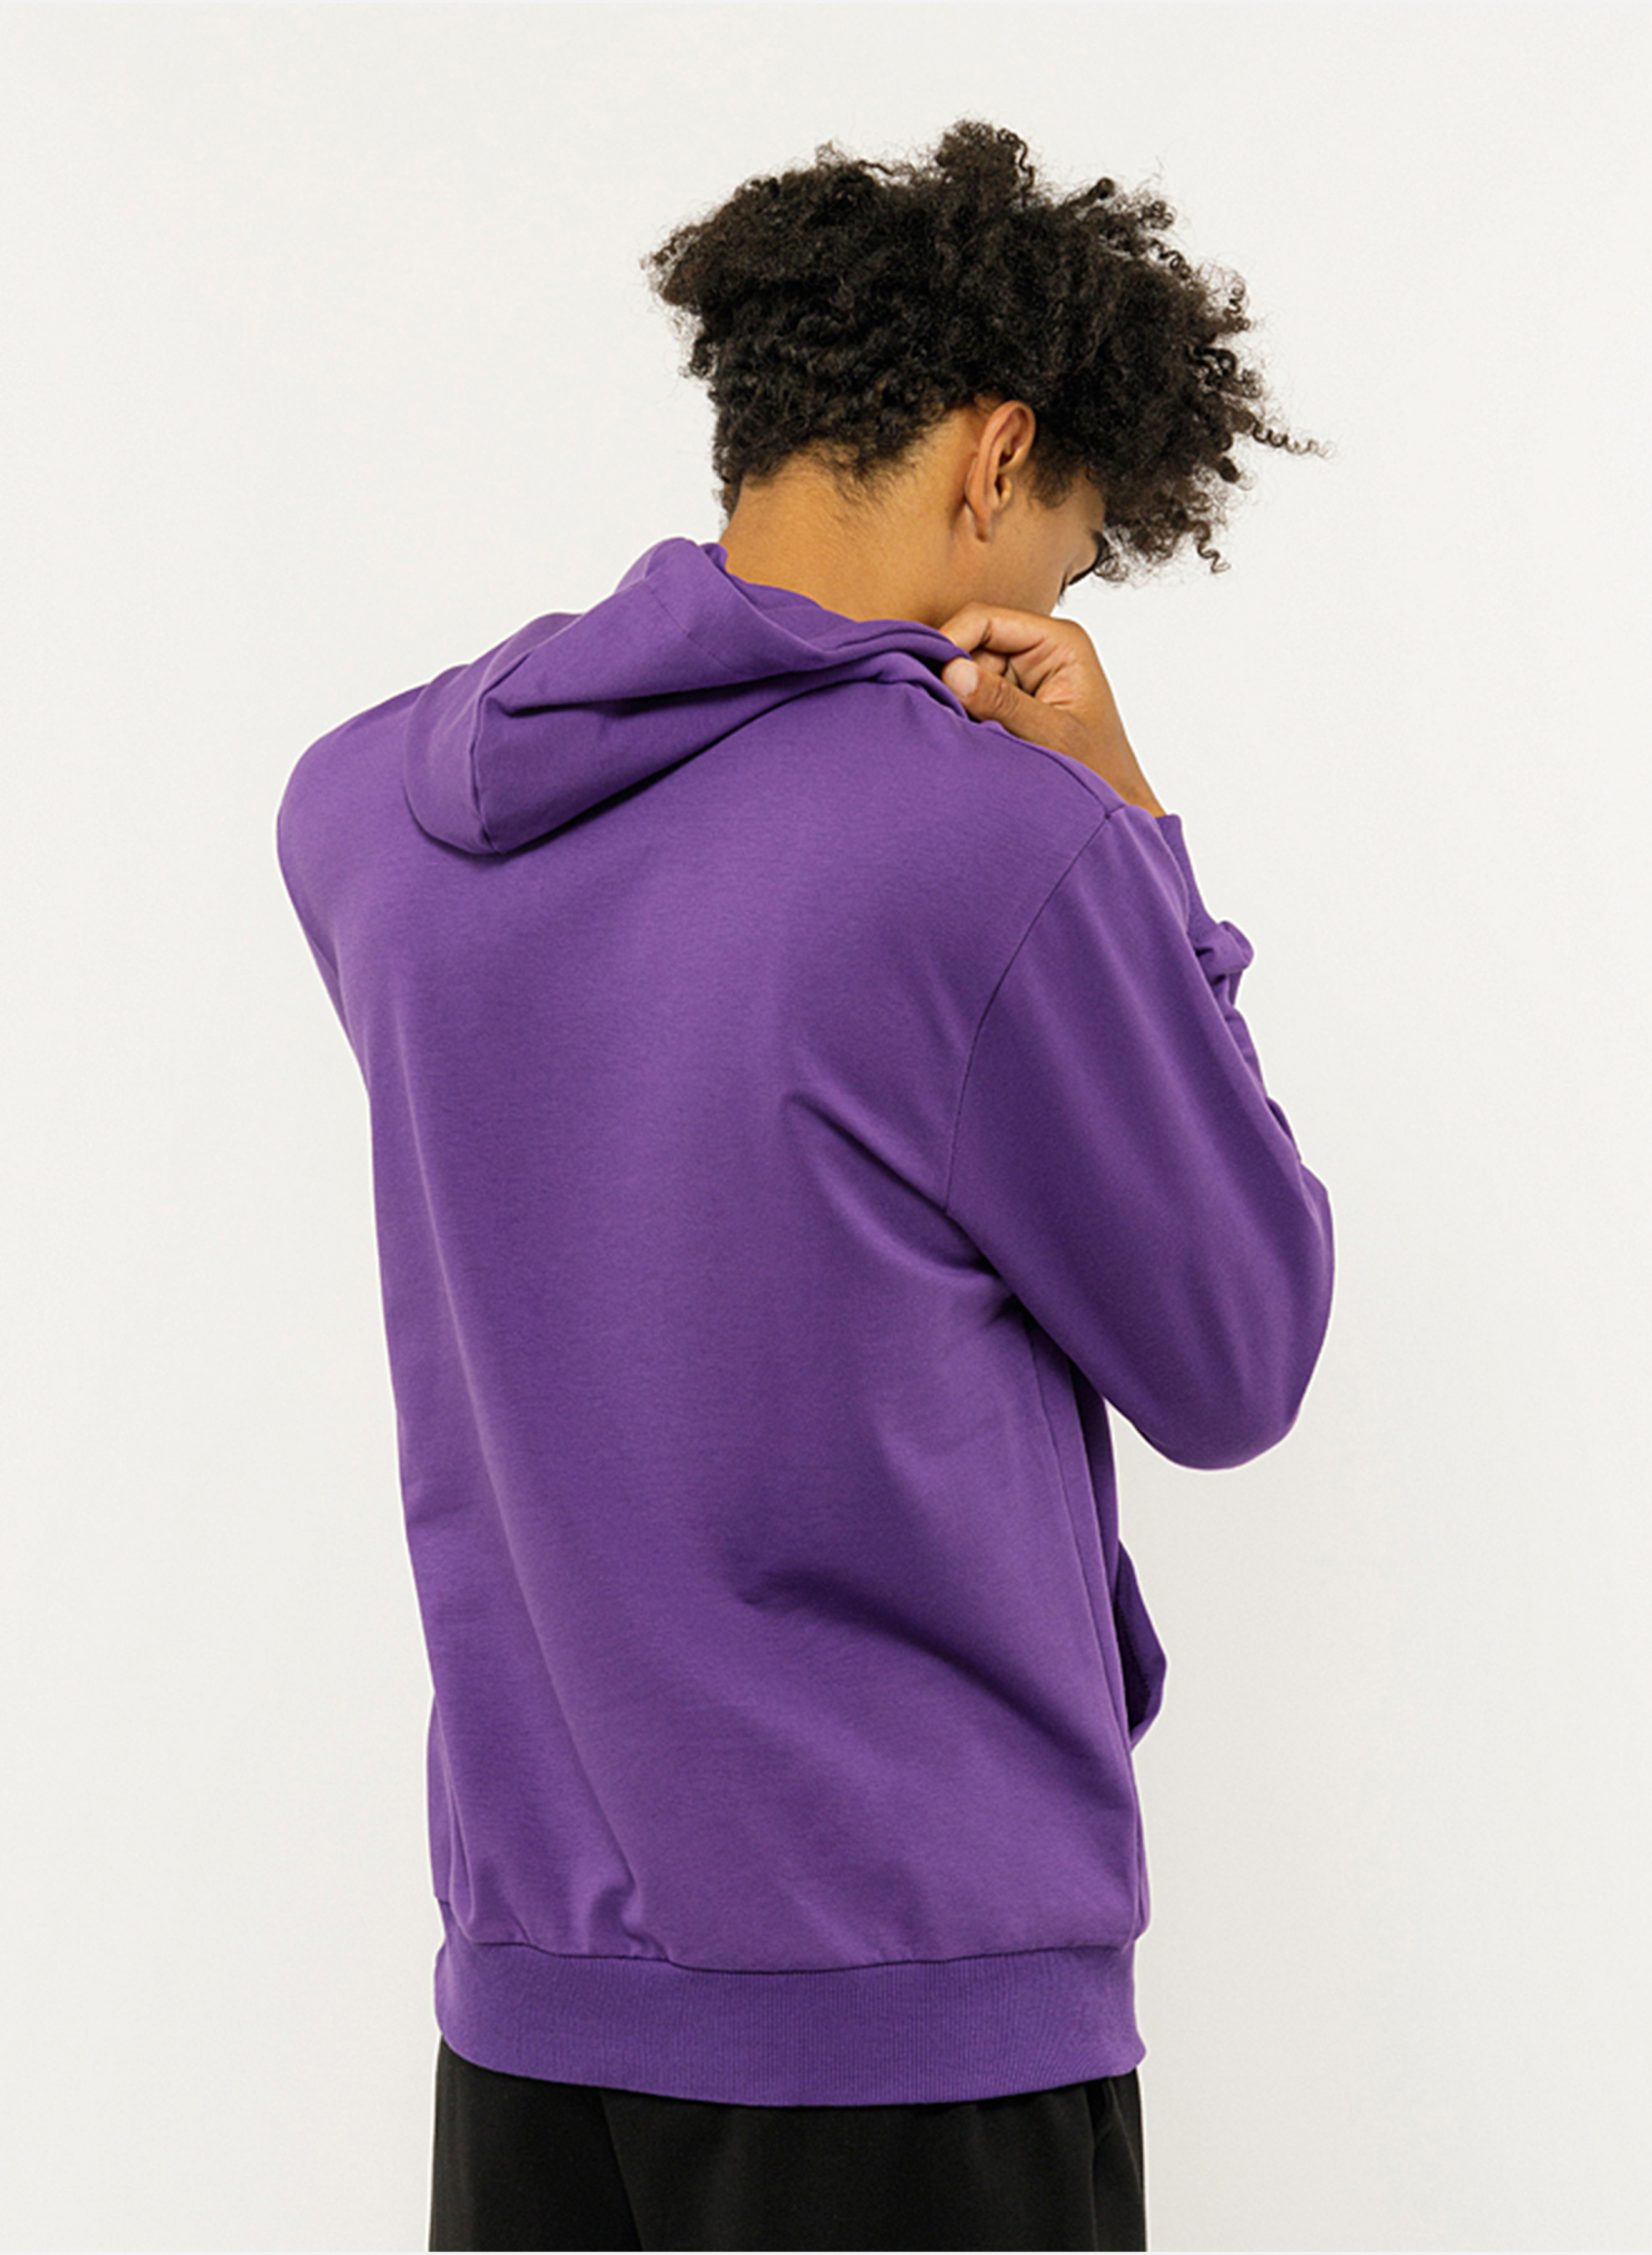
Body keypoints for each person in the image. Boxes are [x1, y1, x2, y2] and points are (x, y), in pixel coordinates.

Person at [276, 118, 1335, 2252]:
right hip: (909, 2022)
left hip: (534, 2016)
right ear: (996, 454)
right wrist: (1129, 832)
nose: (1052, 603)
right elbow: (1233, 1355)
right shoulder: (997, 843)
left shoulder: (370, 815)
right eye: (1072, 551)